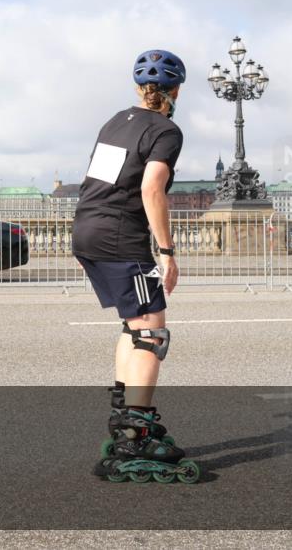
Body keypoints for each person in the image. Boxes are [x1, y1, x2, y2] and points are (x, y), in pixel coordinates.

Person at [72, 50, 199, 482]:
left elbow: (102, 179)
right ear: (176, 90)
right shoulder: (166, 130)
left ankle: (125, 417)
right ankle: (136, 434)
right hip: (120, 236)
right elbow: (151, 189)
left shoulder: (115, 122)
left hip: (88, 229)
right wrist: (166, 251)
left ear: (137, 88)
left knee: (134, 326)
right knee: (151, 331)